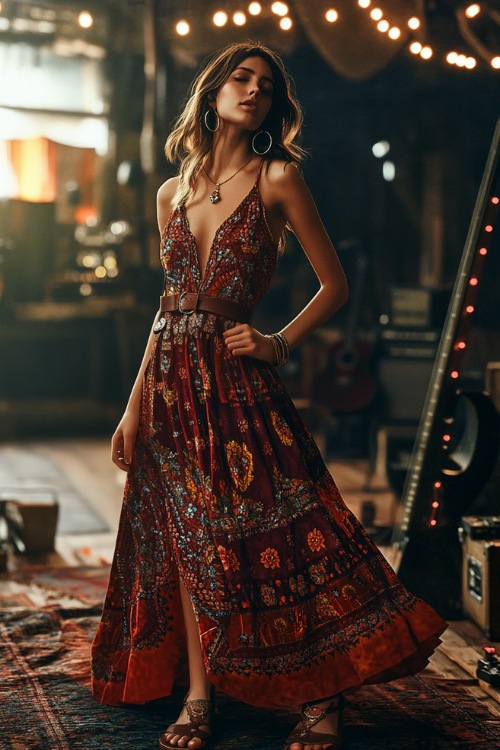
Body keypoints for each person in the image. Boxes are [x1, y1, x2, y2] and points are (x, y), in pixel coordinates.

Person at [91, 42, 447, 750]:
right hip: (169, 387)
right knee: (190, 540)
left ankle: (322, 696)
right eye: (240, 78)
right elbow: (167, 310)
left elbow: (334, 285)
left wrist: (276, 341)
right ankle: (199, 697)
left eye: (266, 85)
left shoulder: (278, 177)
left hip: (237, 384)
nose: (253, 90)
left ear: (274, 106)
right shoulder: (172, 191)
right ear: (214, 91)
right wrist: (133, 407)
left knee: (289, 529)